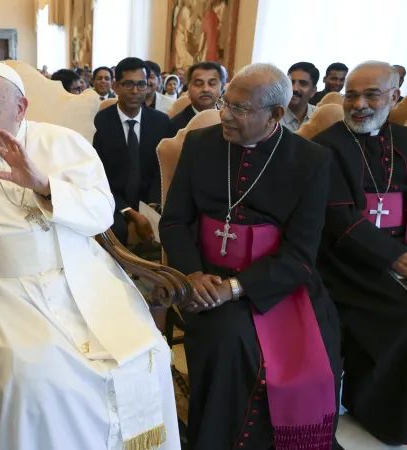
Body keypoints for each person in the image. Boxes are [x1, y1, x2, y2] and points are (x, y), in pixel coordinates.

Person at [0, 61, 179, 450]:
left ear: (20, 108)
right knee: (31, 373)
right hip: (0, 289)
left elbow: (100, 214)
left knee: (148, 352)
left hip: (81, 273)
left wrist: (43, 185)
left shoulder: (64, 143)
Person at [160, 63, 342, 450]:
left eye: (240, 109)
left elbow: (302, 253)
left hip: (281, 280)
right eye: (227, 102)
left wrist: (235, 288)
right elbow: (175, 222)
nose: (225, 114)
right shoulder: (199, 144)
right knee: (228, 341)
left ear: (275, 114)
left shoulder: (311, 161)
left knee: (316, 357)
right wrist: (192, 274)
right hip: (206, 277)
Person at [312, 61, 407, 446]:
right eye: (352, 94)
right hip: (344, 263)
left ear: (394, 97)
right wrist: (396, 260)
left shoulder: (404, 140)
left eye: (372, 94)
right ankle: (379, 413)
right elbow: (338, 220)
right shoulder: (326, 146)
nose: (359, 104)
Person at [93, 57, 176, 244]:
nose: (135, 91)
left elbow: (163, 171)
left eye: (141, 84)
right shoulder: (100, 123)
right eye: (128, 84)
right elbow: (97, 176)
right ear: (116, 86)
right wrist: (130, 212)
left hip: (153, 202)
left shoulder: (161, 123)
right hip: (112, 201)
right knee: (115, 231)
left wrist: (152, 208)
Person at [171, 61, 225, 131]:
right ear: (188, 88)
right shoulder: (174, 126)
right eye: (198, 84)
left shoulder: (229, 121)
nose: (206, 89)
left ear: (221, 88)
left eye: (212, 83)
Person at [281, 62, 319, 132]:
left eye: (303, 84)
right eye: (291, 82)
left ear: (313, 91)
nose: (294, 88)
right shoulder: (273, 115)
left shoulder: (319, 116)